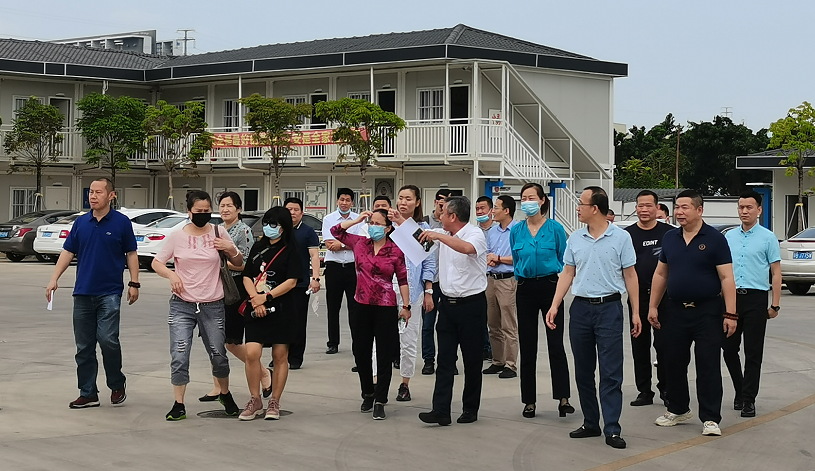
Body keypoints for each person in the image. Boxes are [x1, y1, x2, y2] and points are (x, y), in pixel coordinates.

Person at [546, 186, 641, 449]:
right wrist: (555, 305)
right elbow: (567, 273)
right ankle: (591, 422)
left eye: (581, 203)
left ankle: (612, 428)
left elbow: (630, 275)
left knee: (611, 371)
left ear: (595, 208)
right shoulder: (575, 238)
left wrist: (635, 311)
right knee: (583, 369)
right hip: (580, 309)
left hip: (609, 308)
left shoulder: (620, 237)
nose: (578, 208)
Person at [648, 190, 737, 437]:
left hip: (707, 312)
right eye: (677, 207)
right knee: (673, 361)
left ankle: (710, 418)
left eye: (685, 207)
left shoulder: (715, 239)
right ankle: (678, 408)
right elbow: (661, 273)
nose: (679, 212)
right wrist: (653, 306)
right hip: (675, 310)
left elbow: (727, 277)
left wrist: (731, 314)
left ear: (699, 210)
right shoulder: (670, 238)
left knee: (707, 364)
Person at [46, 177, 139, 409]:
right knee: (84, 347)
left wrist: (134, 283)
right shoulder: (81, 223)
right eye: (91, 192)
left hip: (110, 292)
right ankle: (88, 393)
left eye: (98, 192)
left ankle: (116, 384)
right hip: (83, 292)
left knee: (108, 339)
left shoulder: (121, 222)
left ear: (111, 195)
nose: (93, 196)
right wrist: (54, 278)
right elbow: (68, 252)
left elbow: (131, 253)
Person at [152, 190, 243, 421]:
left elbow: (239, 262)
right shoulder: (177, 236)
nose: (203, 214)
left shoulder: (218, 232)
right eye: (198, 211)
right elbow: (156, 262)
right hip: (182, 304)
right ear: (189, 211)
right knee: (180, 353)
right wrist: (172, 275)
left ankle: (225, 393)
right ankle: (179, 403)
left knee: (218, 353)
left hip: (213, 304)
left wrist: (230, 248)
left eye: (206, 210)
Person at [331, 209, 410, 420]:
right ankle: (367, 392)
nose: (373, 226)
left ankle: (380, 399)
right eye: (371, 223)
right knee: (360, 352)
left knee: (384, 355)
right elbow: (336, 231)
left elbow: (402, 279)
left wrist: (406, 306)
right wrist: (357, 219)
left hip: (385, 306)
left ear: (388, 228)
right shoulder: (360, 243)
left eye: (378, 223)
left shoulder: (395, 250)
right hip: (361, 305)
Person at [417, 196, 488, 426]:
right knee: (445, 359)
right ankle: (440, 410)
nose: (439, 216)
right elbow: (417, 238)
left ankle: (470, 408)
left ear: (453, 216)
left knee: (472, 360)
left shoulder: (474, 234)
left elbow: (467, 249)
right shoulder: (443, 234)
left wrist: (439, 236)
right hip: (447, 305)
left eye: (443, 212)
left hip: (471, 305)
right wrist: (400, 220)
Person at [510, 183, 573, 419]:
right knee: (527, 346)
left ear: (542, 200)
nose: (527, 202)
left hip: (550, 288)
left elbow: (564, 260)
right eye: (524, 198)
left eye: (532, 197)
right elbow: (516, 259)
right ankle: (529, 401)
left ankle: (563, 398)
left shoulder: (555, 229)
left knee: (556, 344)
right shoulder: (517, 230)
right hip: (525, 288)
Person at [201, 192, 271, 401]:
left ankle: (263, 372)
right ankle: (218, 386)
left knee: (231, 341)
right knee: (212, 339)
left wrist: (219, 263)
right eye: (222, 205)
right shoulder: (216, 229)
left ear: (238, 209)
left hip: (235, 289)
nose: (225, 209)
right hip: (213, 288)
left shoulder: (243, 231)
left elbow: (245, 265)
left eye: (229, 206)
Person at [239, 207, 303, 420]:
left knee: (279, 356)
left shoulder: (292, 249)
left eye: (273, 224)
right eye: (266, 223)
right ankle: (255, 398)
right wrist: (254, 298)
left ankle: (274, 401)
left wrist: (266, 298)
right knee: (252, 353)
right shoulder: (258, 247)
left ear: (283, 227)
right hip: (255, 307)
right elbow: (247, 275)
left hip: (282, 309)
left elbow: (291, 281)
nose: (268, 227)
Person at [723, 190, 781, 418]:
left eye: (749, 207)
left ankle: (748, 399)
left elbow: (776, 273)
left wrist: (775, 305)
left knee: (753, 352)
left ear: (759, 210)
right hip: (731, 298)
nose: (744, 211)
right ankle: (740, 389)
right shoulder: (729, 237)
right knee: (728, 349)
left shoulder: (768, 237)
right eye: (741, 207)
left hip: (756, 298)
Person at [388, 185, 436, 402]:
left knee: (408, 340)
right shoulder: (386, 226)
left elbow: (429, 260)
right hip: (385, 291)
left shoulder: (423, 229)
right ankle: (377, 383)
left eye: (408, 198)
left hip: (413, 292)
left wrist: (428, 291)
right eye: (400, 198)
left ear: (417, 202)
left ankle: (404, 383)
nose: (403, 202)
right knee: (380, 340)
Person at [624, 190, 672, 407]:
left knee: (664, 345)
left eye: (648, 206)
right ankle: (644, 390)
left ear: (657, 208)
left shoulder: (669, 234)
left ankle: (666, 388)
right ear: (636, 208)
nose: (644, 210)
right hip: (637, 297)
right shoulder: (627, 235)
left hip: (664, 298)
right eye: (640, 206)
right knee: (639, 344)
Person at [321, 188, 362, 355]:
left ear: (352, 202)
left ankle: (357, 343)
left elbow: (360, 243)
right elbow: (330, 244)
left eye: (348, 200)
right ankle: (333, 343)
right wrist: (349, 244)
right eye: (342, 199)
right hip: (334, 267)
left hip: (353, 268)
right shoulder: (329, 219)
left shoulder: (358, 220)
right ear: (337, 201)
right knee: (333, 307)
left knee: (355, 308)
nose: (344, 203)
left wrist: (343, 244)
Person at [482, 195, 519, 379]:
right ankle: (498, 361)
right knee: (493, 323)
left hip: (508, 280)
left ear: (507, 211)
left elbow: (519, 257)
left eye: (496, 208)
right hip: (491, 279)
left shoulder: (518, 230)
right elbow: (488, 252)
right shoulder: (493, 232)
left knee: (508, 324)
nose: (493, 211)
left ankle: (511, 365)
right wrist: (491, 259)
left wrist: (498, 259)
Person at [284, 197, 322, 370]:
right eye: (289, 209)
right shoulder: (279, 229)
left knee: (298, 322)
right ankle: (280, 356)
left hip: (299, 284)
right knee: (281, 322)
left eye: (295, 210)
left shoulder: (308, 232)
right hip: (279, 284)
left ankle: (295, 357)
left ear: (301, 212)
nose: (292, 213)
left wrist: (315, 278)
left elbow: (314, 256)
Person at [421, 188, 453, 375]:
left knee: (448, 325)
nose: (443, 203)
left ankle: (449, 360)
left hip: (448, 283)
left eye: (447, 201)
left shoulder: (455, 227)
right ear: (435, 202)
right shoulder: (425, 223)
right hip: (431, 282)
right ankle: (428, 360)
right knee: (428, 324)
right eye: (441, 200)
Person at [475, 195, 496, 361]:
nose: (479, 212)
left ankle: (494, 350)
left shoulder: (497, 230)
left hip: (494, 276)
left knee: (494, 318)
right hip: (477, 278)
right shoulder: (474, 232)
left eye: (482, 208)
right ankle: (483, 348)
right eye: (477, 209)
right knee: (480, 316)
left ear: (491, 210)